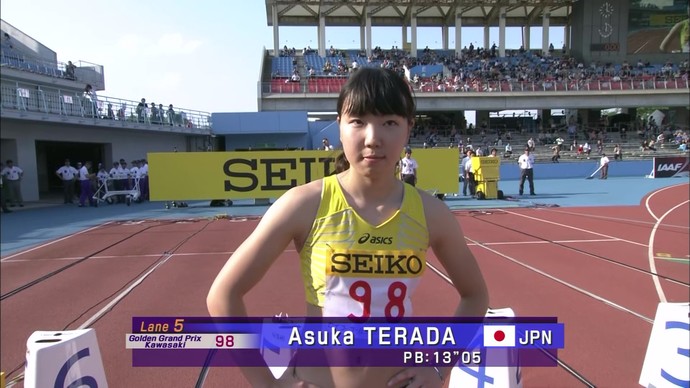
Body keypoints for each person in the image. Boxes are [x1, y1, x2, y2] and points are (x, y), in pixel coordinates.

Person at [206, 67, 489, 388]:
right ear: (339, 125)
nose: (373, 138)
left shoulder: (431, 213)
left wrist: (438, 366)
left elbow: (476, 295)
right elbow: (222, 296)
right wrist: (267, 384)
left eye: (390, 123)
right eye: (358, 121)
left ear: (409, 129)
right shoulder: (303, 205)